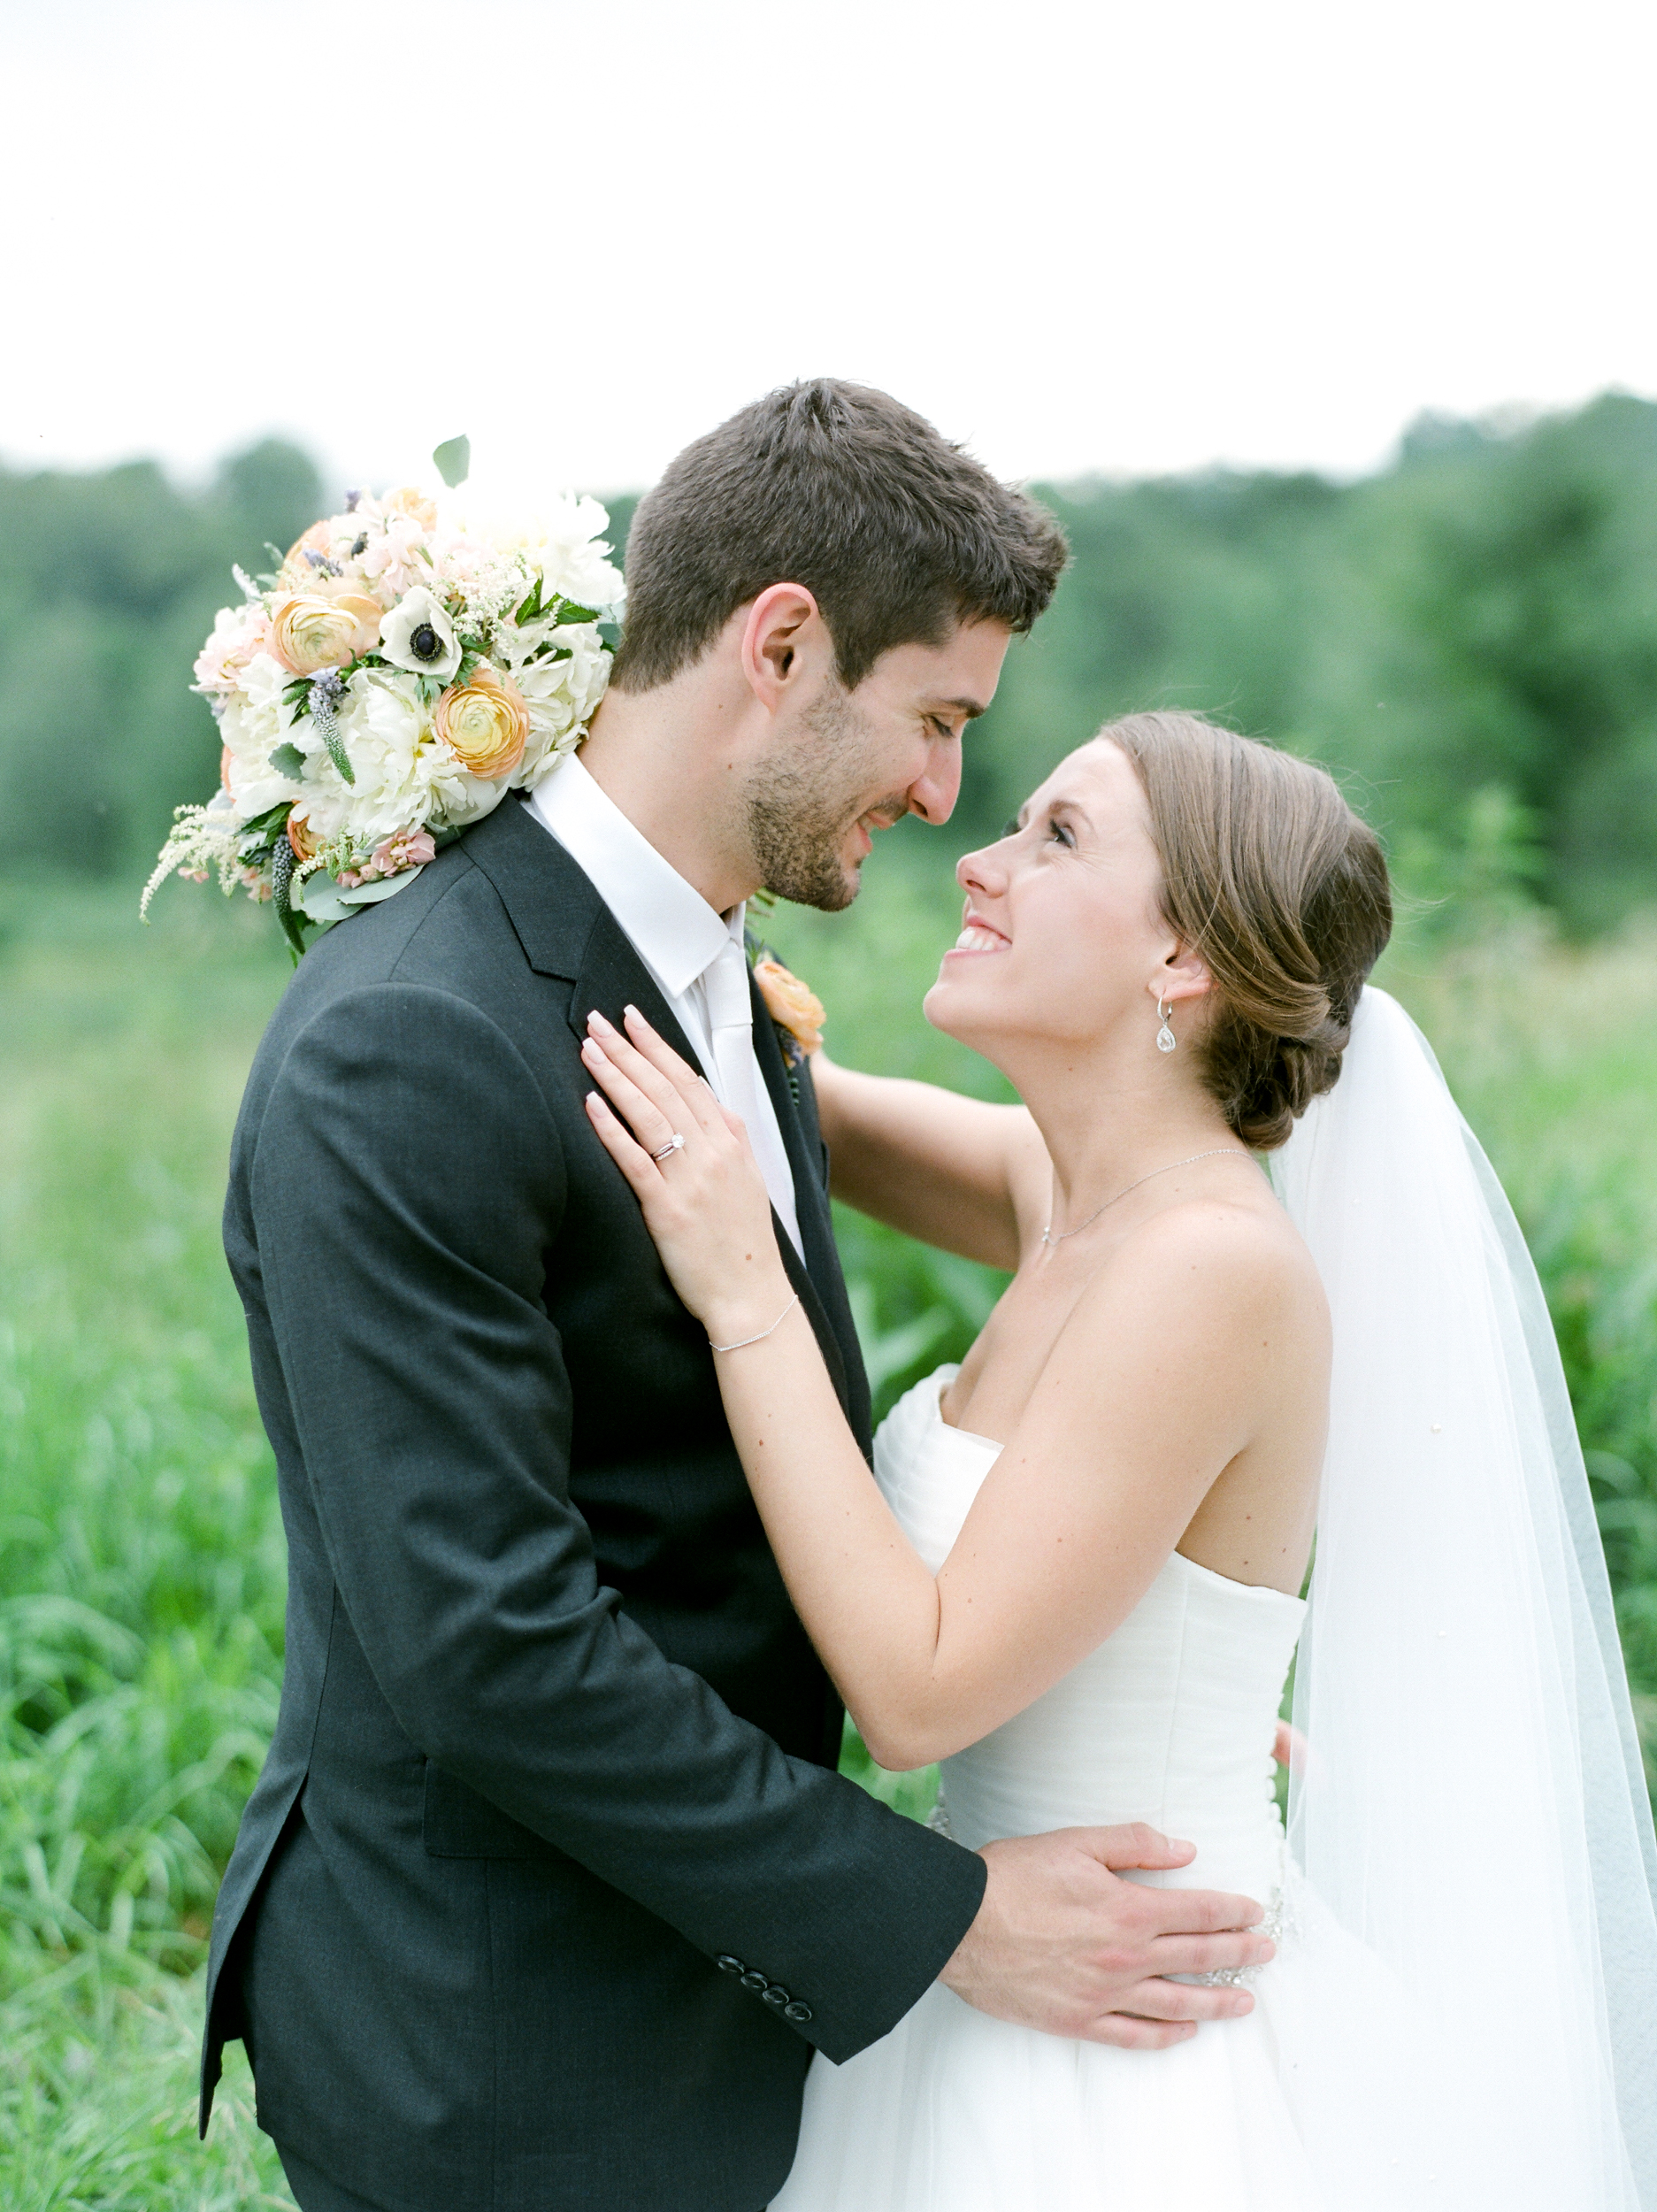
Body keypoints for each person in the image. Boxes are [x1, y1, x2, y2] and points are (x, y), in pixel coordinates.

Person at [199, 390, 1279, 2212]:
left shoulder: (718, 975)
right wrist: (936, 1919)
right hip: (505, 2041)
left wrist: (1140, 1672)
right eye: (938, 719)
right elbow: (487, 1647)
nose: (946, 799)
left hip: (727, 2009)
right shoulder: (413, 1044)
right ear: (781, 645)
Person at [584, 708, 1657, 2209]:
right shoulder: (1065, 1190)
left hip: (1129, 2042)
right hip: (989, 1974)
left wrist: (744, 1294)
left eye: (1058, 837)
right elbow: (760, 1106)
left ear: (1182, 961)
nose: (979, 862)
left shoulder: (1210, 1269)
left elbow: (917, 1690)